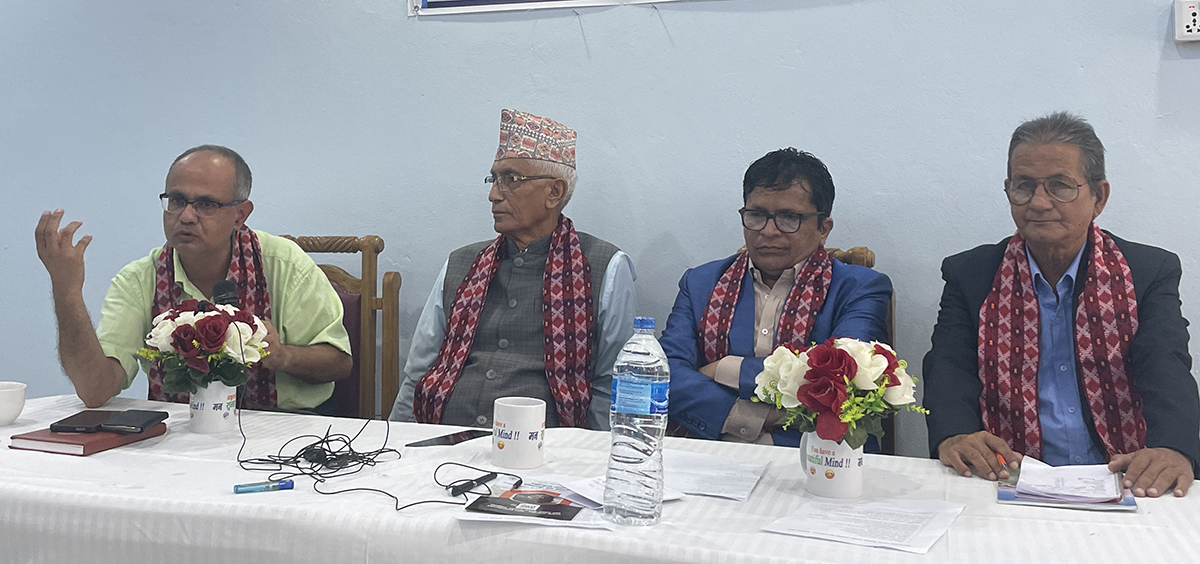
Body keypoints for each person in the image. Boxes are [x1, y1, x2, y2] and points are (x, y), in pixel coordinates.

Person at [924, 112, 1200, 498]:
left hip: (1124, 473)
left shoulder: (1147, 271)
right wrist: (955, 434)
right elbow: (949, 369)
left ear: (1099, 197)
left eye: (1060, 186)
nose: (1039, 203)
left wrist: (1173, 448)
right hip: (1006, 474)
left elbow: (1166, 365)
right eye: (1024, 186)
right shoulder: (970, 274)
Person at [35, 145, 352, 413]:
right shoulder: (139, 279)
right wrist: (66, 289)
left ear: (240, 215)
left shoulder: (284, 263)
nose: (186, 216)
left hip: (282, 429)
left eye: (206, 204)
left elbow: (339, 363)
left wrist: (283, 356)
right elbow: (95, 390)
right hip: (179, 431)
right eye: (176, 201)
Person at [389, 109, 636, 430]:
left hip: (548, 449)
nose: (493, 195)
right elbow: (419, 373)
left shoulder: (605, 266)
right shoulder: (461, 264)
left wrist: (590, 453)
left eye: (511, 180)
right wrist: (397, 441)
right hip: (445, 439)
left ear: (554, 192)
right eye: (494, 179)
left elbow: (610, 387)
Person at [660, 148, 892, 446]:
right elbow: (664, 373)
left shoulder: (861, 288)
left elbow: (838, 376)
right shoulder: (701, 283)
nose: (769, 231)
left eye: (789, 217)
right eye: (756, 215)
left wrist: (723, 368)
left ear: (823, 228)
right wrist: (752, 416)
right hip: (713, 448)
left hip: (817, 454)